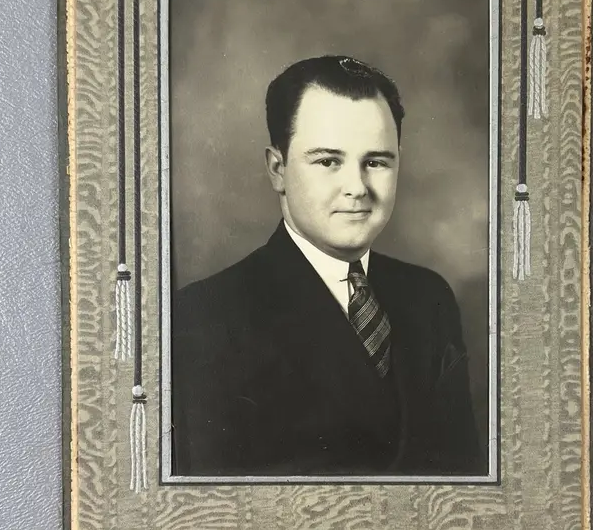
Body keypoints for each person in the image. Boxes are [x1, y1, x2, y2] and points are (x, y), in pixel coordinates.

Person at [171, 55, 482, 477]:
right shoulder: (204, 317)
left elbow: (465, 484)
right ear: (278, 169)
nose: (357, 187)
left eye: (376, 162)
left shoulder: (430, 298)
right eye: (328, 161)